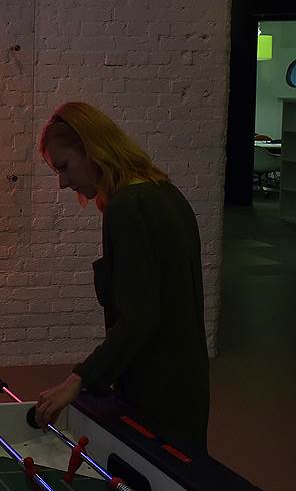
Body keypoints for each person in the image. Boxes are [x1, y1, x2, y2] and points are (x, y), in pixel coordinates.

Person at [33, 102, 210, 451]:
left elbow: (139, 318)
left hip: (155, 389)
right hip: (186, 381)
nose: (63, 182)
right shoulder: (165, 192)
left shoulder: (126, 208)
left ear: (92, 149)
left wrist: (78, 379)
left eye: (65, 166)